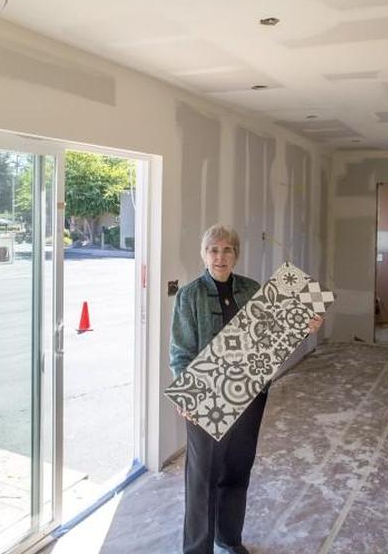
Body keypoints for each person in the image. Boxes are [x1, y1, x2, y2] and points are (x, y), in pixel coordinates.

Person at [169, 224, 323, 554]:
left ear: (236, 255)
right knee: (202, 478)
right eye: (213, 249)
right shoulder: (189, 295)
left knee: (237, 468)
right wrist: (187, 394)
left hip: (249, 396)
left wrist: (305, 323)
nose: (220, 256)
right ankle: (197, 548)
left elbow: (276, 335)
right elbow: (181, 352)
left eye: (227, 250)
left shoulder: (253, 289)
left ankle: (229, 538)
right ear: (203, 254)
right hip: (205, 399)